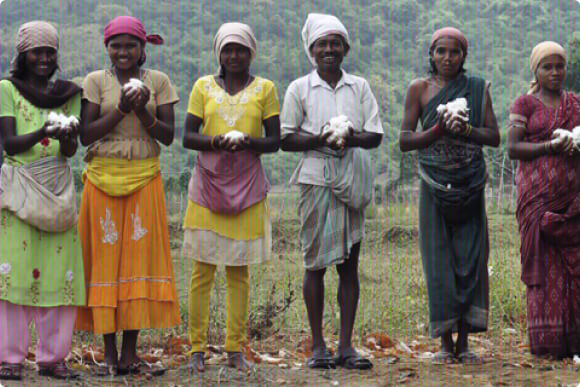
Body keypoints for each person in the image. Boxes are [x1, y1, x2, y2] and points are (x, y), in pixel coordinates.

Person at [77, 16, 181, 376]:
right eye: (116, 45)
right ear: (107, 48)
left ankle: (130, 353)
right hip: (101, 175)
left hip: (145, 176)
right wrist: (122, 108)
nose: (123, 52)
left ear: (142, 49)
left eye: (130, 46)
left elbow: (168, 137)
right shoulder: (94, 82)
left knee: (138, 263)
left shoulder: (159, 82)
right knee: (104, 261)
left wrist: (141, 108)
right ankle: (107, 353)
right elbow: (86, 136)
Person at [280, 13, 383, 370]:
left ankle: (346, 346)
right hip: (316, 179)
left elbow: (376, 135)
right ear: (311, 49)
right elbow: (286, 138)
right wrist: (322, 137)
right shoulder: (299, 88)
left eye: (335, 43)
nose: (329, 49)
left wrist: (349, 136)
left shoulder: (360, 87)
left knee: (349, 266)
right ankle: (319, 347)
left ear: (345, 48)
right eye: (322, 44)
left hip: (352, 178)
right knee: (315, 265)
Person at [182, 22, 280, 373]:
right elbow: (188, 137)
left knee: (238, 271)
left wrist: (248, 142)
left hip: (247, 186)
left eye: (241, 49)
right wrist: (216, 141)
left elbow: (275, 141)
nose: (234, 55)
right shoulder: (202, 87)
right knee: (202, 272)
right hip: (207, 184)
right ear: (218, 53)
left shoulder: (265, 88)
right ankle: (195, 348)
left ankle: (234, 349)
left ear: (251, 53)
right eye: (228, 49)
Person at [399, 27, 499, 364]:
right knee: (438, 262)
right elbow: (404, 141)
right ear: (430, 55)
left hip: (471, 184)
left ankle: (466, 343)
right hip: (433, 185)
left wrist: (467, 129)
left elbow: (494, 136)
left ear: (463, 56)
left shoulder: (477, 88)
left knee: (470, 260)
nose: (447, 58)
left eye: (454, 52)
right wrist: (438, 130)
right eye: (440, 51)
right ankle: (444, 344)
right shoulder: (419, 89)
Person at [0, 21, 85, 380]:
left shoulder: (69, 94)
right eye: (37, 51)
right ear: (23, 54)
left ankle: (53, 358)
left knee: (59, 275)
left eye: (50, 52)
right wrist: (44, 130)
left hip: (58, 188)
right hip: (19, 188)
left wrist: (67, 134)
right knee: (13, 275)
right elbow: (9, 143)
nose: (45, 59)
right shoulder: (6, 89)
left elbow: (71, 150)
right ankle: (10, 358)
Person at [507, 41, 580, 358]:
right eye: (547, 66)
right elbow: (512, 148)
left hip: (573, 201)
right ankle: (547, 343)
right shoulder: (525, 103)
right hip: (535, 201)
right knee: (543, 268)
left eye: (559, 66)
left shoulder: (576, 103)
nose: (554, 72)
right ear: (535, 70)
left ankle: (574, 340)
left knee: (574, 268)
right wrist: (550, 147)